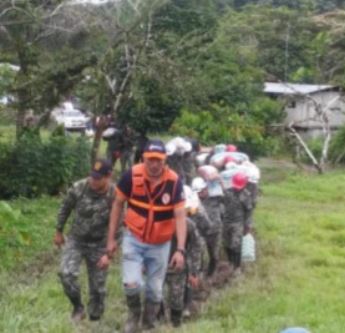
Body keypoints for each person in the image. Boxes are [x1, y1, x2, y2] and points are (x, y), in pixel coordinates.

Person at [104, 139, 187, 333]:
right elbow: (117, 205)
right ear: (144, 158)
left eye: (158, 160)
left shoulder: (174, 182)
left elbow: (180, 216)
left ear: (165, 160)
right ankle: (133, 317)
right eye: (150, 159)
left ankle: (148, 323)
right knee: (131, 284)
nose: (154, 164)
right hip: (134, 239)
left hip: (161, 244)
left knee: (155, 291)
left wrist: (180, 249)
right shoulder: (131, 176)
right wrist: (111, 239)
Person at [54, 159, 115, 322]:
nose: (93, 181)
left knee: (98, 289)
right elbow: (65, 208)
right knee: (66, 274)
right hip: (76, 240)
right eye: (91, 176)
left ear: (109, 176)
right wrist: (59, 230)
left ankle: (95, 319)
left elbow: (118, 227)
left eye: (98, 178)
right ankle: (78, 308)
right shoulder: (79, 187)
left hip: (100, 244)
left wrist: (108, 254)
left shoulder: (115, 195)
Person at [222, 172, 253, 273]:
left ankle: (237, 267)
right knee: (226, 243)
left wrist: (248, 226)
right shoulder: (227, 191)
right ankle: (230, 262)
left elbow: (248, 211)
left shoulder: (246, 195)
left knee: (236, 244)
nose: (237, 188)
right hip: (226, 222)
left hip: (238, 223)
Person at [192, 177, 222, 277]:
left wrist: (220, 182)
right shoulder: (193, 202)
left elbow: (226, 196)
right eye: (202, 191)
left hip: (215, 231)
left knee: (214, 255)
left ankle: (212, 275)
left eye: (205, 189)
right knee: (200, 256)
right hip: (201, 233)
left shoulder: (215, 196)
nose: (205, 192)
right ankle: (201, 276)